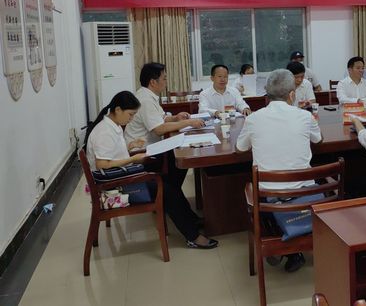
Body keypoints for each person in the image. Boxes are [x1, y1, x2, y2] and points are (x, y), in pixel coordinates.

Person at [86, 91, 218, 250]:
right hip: (115, 188)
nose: (131, 119)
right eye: (130, 114)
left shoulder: (112, 125)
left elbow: (112, 154)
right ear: (118, 109)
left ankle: (190, 219)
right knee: (167, 188)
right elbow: (102, 165)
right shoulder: (104, 131)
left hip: (121, 175)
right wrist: (133, 159)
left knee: (169, 176)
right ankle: (192, 236)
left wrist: (130, 146)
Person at [235, 69, 322, 273]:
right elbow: (318, 140)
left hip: (270, 195)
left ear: (267, 95)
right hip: (306, 193)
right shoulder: (305, 116)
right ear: (292, 94)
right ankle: (295, 241)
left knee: (258, 190)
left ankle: (284, 243)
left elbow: (239, 149)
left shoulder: (253, 119)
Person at [125, 62, 206, 188]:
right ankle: (170, 191)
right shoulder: (145, 100)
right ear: (153, 82)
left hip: (152, 146)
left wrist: (176, 118)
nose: (166, 82)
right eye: (164, 78)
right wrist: (188, 122)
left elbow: (162, 118)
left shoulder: (148, 95)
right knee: (180, 155)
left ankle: (172, 191)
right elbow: (159, 129)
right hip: (142, 152)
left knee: (181, 152)